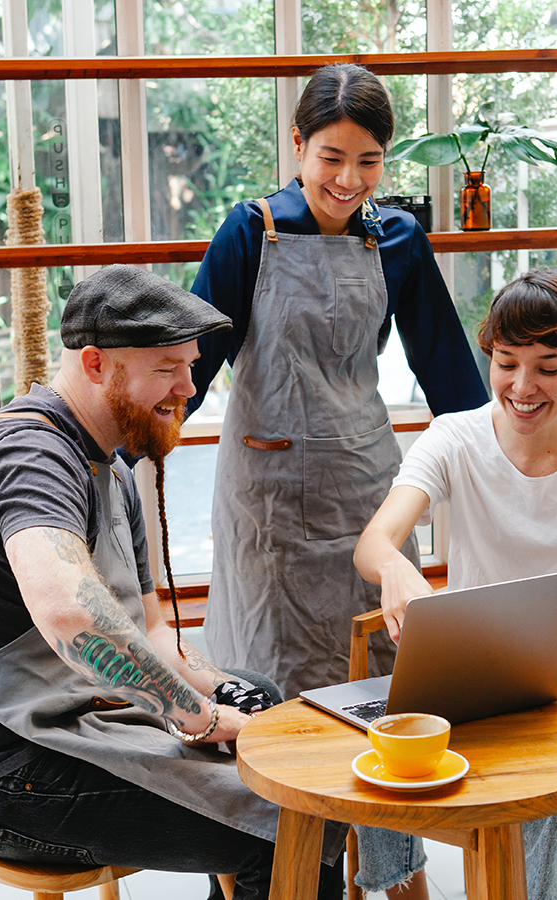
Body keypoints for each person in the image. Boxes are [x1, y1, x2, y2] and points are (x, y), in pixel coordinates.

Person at [0, 265, 345, 900]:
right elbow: (71, 616)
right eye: (168, 368)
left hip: (67, 723)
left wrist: (233, 701)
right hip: (5, 775)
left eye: (190, 366)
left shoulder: (105, 461)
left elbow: (153, 628)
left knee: (264, 696)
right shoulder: (29, 456)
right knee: (291, 819)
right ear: (96, 364)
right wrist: (199, 717)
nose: (190, 387)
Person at [189, 63, 489, 701]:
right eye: (331, 157)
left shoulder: (400, 240)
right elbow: (191, 364)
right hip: (263, 496)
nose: (349, 180)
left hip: (364, 487)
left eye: (369, 161)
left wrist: (502, 459)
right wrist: (116, 447)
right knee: (268, 671)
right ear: (297, 145)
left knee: (379, 665)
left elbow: (448, 371)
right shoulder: (251, 232)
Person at [352, 269, 557, 900]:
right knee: (369, 740)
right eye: (506, 362)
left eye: (547, 366)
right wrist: (398, 567)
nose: (522, 386)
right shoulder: (454, 436)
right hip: (466, 679)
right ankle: (404, 889)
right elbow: (375, 543)